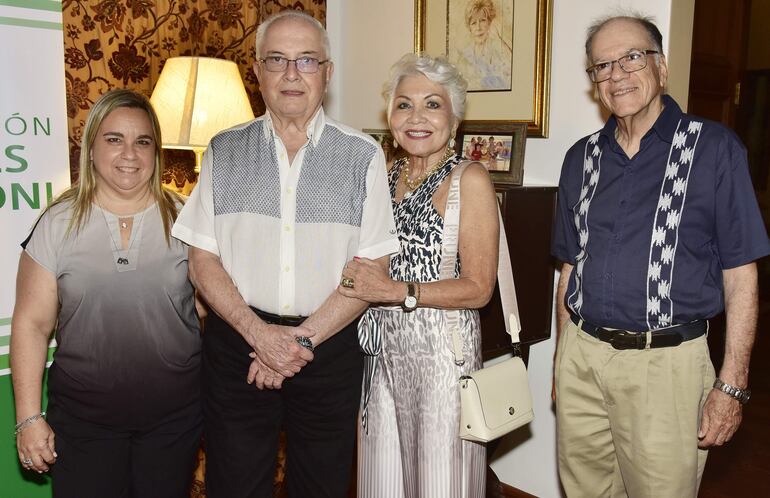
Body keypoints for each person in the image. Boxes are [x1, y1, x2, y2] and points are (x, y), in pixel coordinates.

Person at [171, 10, 399, 498]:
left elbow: (372, 270)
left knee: (322, 485)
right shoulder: (222, 151)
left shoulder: (364, 155)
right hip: (238, 343)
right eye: (277, 60)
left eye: (306, 61)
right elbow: (202, 261)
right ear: (257, 71)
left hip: (330, 345)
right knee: (234, 484)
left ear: (328, 73)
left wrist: (298, 342)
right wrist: (259, 334)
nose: (291, 74)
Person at [551, 14, 770, 498]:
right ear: (595, 84)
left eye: (632, 57)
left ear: (662, 67)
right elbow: (570, 268)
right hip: (582, 360)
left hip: (666, 366)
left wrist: (731, 387)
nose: (617, 74)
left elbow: (740, 275)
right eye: (602, 66)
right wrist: (561, 367)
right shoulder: (579, 159)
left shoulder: (714, 150)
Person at [10, 89, 202, 497]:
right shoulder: (57, 223)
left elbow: (208, 310)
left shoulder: (189, 221)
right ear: (91, 149)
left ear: (157, 152)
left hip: (173, 423)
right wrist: (29, 419)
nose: (129, 154)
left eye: (143, 141)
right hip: (83, 426)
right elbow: (31, 324)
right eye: (114, 139)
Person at [339, 53, 499, 498]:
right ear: (389, 116)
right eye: (404, 104)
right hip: (382, 354)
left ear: (455, 116)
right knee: (380, 480)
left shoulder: (471, 179)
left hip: (442, 354)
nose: (417, 117)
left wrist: (395, 291)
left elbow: (480, 288)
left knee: (439, 483)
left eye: (432, 104)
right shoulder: (385, 178)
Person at [451, 0, 513, 91]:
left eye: (483, 20)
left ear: (490, 23)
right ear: (469, 28)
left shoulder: (498, 47)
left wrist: (498, 39)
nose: (478, 28)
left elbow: (513, 73)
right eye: (474, 23)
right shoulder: (464, 57)